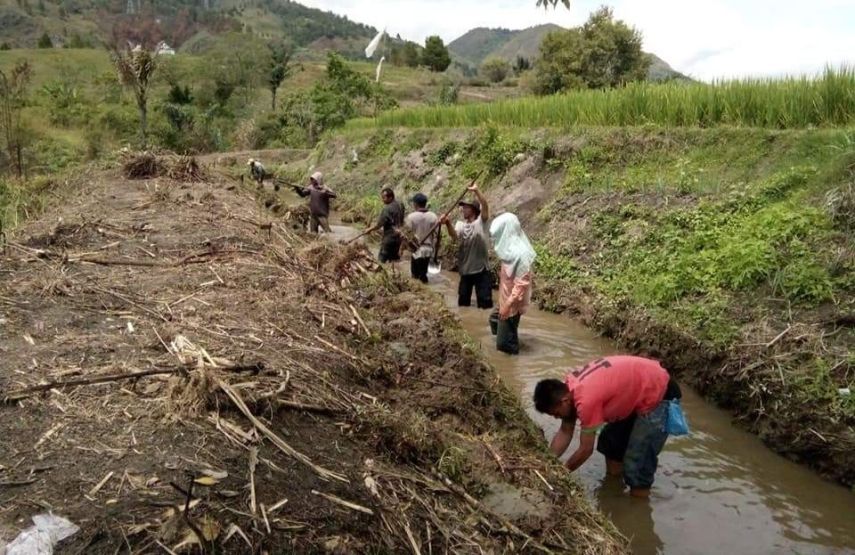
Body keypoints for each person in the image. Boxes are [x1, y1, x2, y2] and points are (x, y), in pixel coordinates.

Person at [533, 356, 682, 498]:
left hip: (659, 392)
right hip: (635, 390)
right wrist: (546, 462)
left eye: (556, 413)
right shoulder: (569, 387)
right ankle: (615, 490)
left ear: (564, 401)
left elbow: (585, 450)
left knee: (638, 464)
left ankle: (637, 505)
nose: (556, 417)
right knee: (610, 443)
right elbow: (565, 431)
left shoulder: (586, 401)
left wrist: (561, 474)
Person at [440, 184, 492, 309]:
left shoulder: (481, 222)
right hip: (465, 270)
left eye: (465, 207)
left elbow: (485, 206)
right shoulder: (460, 225)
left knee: (485, 305)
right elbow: (454, 236)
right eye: (462, 207)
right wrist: (447, 223)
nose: (462, 209)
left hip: (481, 270)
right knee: (463, 304)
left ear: (473, 209)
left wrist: (476, 191)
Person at [489, 213, 534, 355]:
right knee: (493, 319)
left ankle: (510, 351)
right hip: (505, 296)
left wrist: (507, 305)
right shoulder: (509, 249)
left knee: (504, 345)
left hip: (513, 301)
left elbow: (521, 285)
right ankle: (508, 334)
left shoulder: (521, 254)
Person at [361, 188, 404, 263]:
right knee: (394, 261)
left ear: (390, 197)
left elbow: (379, 224)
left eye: (384, 198)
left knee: (381, 261)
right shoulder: (400, 205)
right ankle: (395, 274)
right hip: (398, 239)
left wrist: (368, 230)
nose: (382, 200)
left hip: (389, 239)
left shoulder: (387, 209)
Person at [402, 193, 438, 283]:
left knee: (415, 275)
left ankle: (420, 293)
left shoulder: (411, 217)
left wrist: (401, 248)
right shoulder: (433, 216)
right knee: (423, 273)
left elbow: (405, 236)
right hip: (429, 249)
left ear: (415, 204)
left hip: (417, 249)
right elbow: (437, 235)